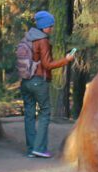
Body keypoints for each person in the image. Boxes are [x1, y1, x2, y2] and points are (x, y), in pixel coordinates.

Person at [20, 10, 74, 158]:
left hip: (25, 82)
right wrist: (66, 60)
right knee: (45, 113)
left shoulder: (28, 37)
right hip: (38, 81)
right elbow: (47, 65)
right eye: (50, 26)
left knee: (29, 114)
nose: (51, 28)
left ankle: (31, 149)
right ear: (44, 26)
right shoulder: (42, 40)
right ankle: (39, 148)